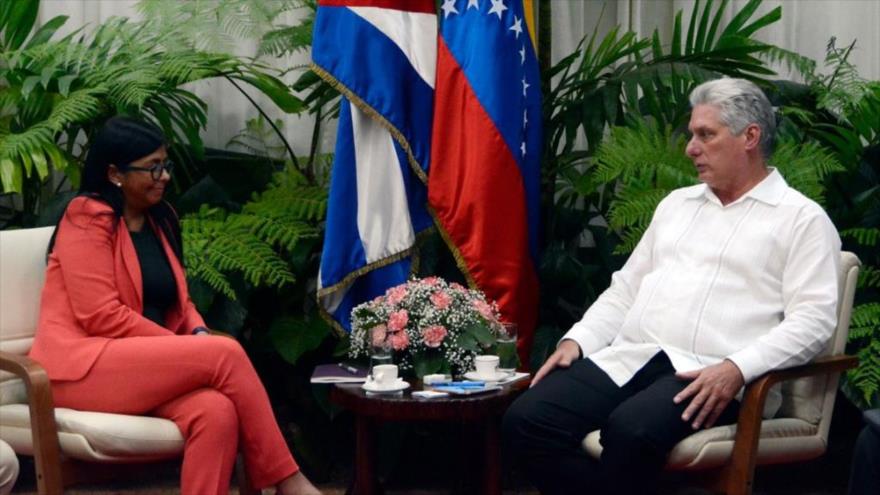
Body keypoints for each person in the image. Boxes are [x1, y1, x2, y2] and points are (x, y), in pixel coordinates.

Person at [503, 78, 841, 495]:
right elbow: (626, 289)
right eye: (691, 135)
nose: (690, 148)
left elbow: (813, 321)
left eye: (706, 135)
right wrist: (578, 340)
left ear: (750, 137)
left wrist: (736, 368)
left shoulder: (802, 220)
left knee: (630, 431)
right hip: (634, 356)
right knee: (526, 422)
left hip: (712, 373)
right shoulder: (676, 205)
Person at [28, 116, 321, 495]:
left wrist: (196, 332)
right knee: (224, 352)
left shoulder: (161, 218)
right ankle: (288, 481)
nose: (164, 176)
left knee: (216, 412)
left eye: (165, 165)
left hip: (141, 370)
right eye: (152, 168)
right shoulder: (87, 216)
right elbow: (100, 315)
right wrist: (183, 348)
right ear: (115, 173)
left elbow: (180, 303)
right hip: (80, 370)